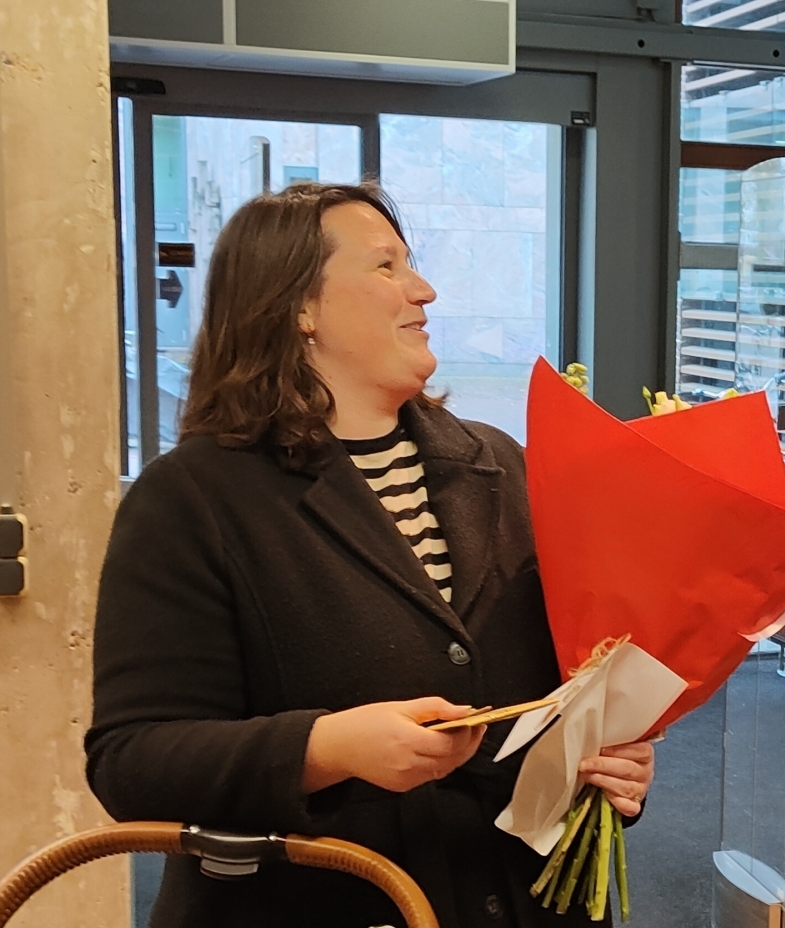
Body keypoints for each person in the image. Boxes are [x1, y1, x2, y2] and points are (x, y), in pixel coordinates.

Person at [85, 182, 655, 927]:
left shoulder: (504, 464)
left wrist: (608, 758)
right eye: (386, 266)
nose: (424, 289)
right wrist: (326, 746)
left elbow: (569, 683)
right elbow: (132, 761)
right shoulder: (190, 498)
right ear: (298, 307)